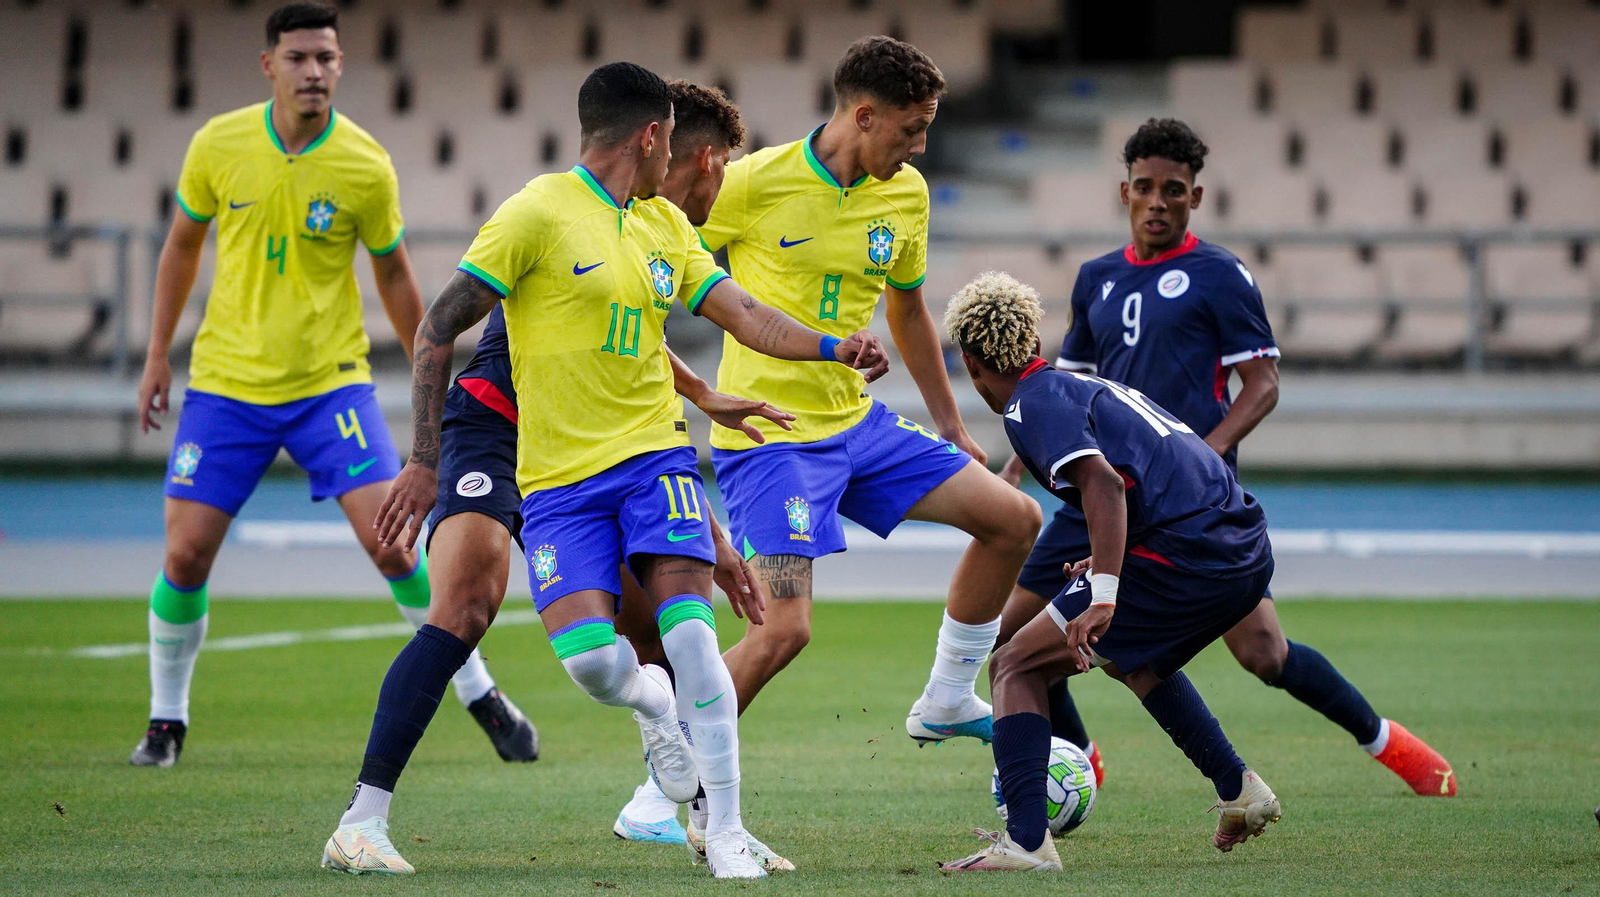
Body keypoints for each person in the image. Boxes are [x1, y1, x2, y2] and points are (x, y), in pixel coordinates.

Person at [344, 62, 889, 880]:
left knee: (682, 630)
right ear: (654, 136)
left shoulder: (657, 226)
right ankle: (365, 816)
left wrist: (815, 351)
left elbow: (684, 325)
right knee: (486, 615)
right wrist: (424, 461)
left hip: (642, 455)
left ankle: (721, 825)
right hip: (509, 428)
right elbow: (452, 325)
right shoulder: (539, 213)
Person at [622, 35, 1042, 861]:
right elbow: (653, 277)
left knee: (1013, 519)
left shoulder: (905, 195)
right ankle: (658, 788)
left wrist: (952, 424)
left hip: (860, 427)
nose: (920, 146)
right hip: (771, 441)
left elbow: (909, 311)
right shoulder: (745, 183)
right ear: (863, 114)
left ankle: (949, 694)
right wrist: (689, 395)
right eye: (912, 129)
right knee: (784, 631)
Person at [998, 118, 1455, 798]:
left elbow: (1263, 383)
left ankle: (1389, 743)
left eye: (1173, 191)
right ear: (1124, 190)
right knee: (1011, 634)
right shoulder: (1096, 279)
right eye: (1146, 188)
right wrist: (1012, 472)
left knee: (1264, 653)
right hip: (1099, 492)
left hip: (1190, 508)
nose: (1158, 202)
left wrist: (1198, 460)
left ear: (1196, 198)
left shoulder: (1218, 274)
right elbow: (1061, 388)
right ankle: (1079, 760)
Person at [130, 1, 527, 769]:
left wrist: (434, 375)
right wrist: (156, 354)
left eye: (327, 58)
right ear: (269, 65)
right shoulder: (218, 145)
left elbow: (397, 278)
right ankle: (166, 719)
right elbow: (181, 246)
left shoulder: (364, 164)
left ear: (340, 66)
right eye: (299, 57)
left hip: (330, 386)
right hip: (225, 384)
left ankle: (478, 689)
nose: (314, 71)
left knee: (394, 544)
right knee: (183, 556)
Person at [940, 271, 1282, 871]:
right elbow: (1148, 479)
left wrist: (1104, 589)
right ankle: (1239, 789)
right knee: (1131, 657)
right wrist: (1110, 562)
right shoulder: (1083, 386)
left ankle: (1026, 844)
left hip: (1190, 551)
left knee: (1014, 662)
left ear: (970, 362)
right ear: (1032, 342)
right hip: (1239, 542)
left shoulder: (1030, 404)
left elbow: (1102, 483)